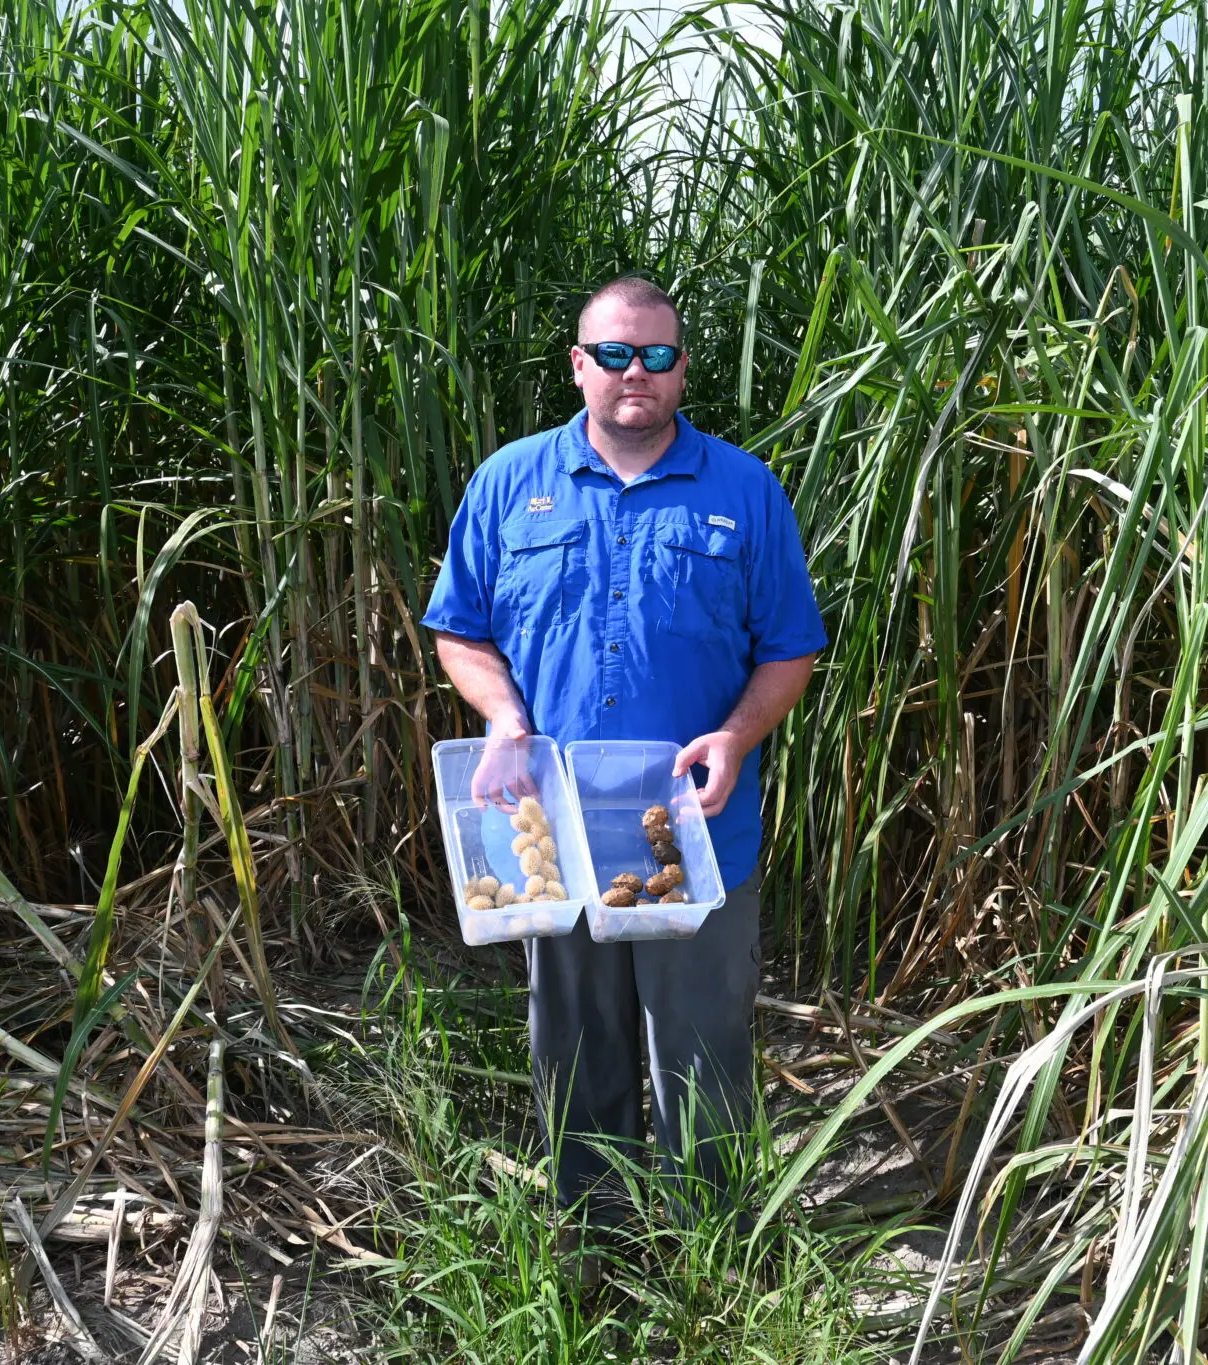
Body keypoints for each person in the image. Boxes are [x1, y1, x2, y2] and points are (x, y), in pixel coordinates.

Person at [421, 275, 826, 1276]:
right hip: (549, 828)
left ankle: (712, 1263)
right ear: (577, 365)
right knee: (574, 1041)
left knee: (700, 1047)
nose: (633, 374)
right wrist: (505, 717)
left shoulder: (743, 491)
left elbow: (788, 651)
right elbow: (458, 631)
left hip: (689, 826)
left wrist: (734, 737)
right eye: (611, 355)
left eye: (654, 355)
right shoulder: (510, 483)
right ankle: (594, 1251)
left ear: (683, 366)